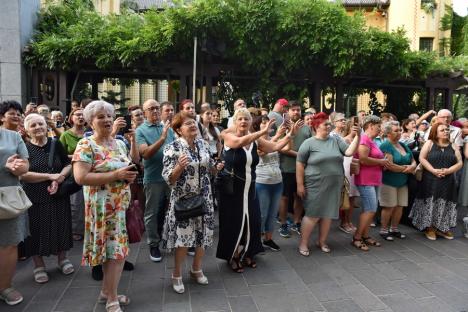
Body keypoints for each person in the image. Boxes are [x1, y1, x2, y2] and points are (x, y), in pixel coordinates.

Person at [73, 101, 138, 312]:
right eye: (101, 116)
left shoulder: (119, 143)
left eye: (109, 115)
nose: (107, 119)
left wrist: (127, 177)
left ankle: (106, 292)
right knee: (114, 254)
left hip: (120, 208)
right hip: (101, 210)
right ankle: (111, 299)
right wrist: (116, 175)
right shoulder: (86, 145)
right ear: (91, 122)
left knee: (117, 253)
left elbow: (128, 165)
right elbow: (80, 177)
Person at [216, 108, 293, 272]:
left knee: (253, 221)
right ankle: (233, 256)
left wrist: (290, 134)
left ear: (251, 122)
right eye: (240, 119)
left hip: (250, 189)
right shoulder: (227, 135)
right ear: (235, 121)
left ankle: (248, 253)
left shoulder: (255, 140)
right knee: (233, 223)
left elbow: (274, 147)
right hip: (231, 190)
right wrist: (262, 132)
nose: (243, 121)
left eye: (246, 119)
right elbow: (238, 143)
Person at [161, 112, 223, 294]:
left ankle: (196, 269)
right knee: (183, 239)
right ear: (179, 130)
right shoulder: (172, 148)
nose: (193, 125)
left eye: (194, 123)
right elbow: (169, 179)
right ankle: (177, 275)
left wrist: (216, 168)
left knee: (202, 235)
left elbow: (210, 168)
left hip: (204, 197)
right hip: (184, 200)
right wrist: (179, 166)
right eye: (188, 123)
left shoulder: (203, 144)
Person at [20, 114, 74, 284]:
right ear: (27, 130)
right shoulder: (24, 148)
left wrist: (60, 177)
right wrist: (49, 176)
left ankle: (62, 259)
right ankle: (38, 265)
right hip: (34, 196)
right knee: (36, 230)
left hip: (58, 194)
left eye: (41, 124)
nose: (38, 127)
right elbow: (23, 174)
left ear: (47, 126)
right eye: (33, 125)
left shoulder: (55, 143)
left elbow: (67, 164)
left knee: (61, 225)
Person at [296, 112, 360, 255]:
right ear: (317, 126)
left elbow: (349, 152)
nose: (329, 126)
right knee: (313, 214)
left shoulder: (336, 140)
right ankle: (303, 243)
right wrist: (300, 184)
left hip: (334, 184)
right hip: (315, 184)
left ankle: (322, 241)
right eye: (326, 124)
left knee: (328, 214)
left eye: (329, 123)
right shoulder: (308, 143)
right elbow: (300, 164)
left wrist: (358, 136)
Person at [136, 99, 174, 263]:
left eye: (157, 108)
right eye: (151, 109)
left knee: (174, 208)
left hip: (171, 176)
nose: (156, 111)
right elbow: (145, 154)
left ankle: (174, 239)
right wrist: (162, 137)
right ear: (144, 113)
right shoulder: (141, 130)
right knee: (152, 212)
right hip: (153, 178)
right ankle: (153, 244)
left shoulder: (167, 128)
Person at [410, 122, 463, 240]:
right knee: (431, 202)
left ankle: (441, 227)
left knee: (445, 202)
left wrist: (449, 170)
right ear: (436, 132)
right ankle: (429, 228)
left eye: (447, 130)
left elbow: (459, 162)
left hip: (448, 180)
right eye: (442, 130)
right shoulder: (429, 143)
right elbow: (421, 158)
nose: (446, 132)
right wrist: (433, 170)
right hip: (430, 179)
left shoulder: (453, 145)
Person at [0, 117, 29, 306]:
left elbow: (26, 165)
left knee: (9, 244)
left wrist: (17, 168)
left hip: (9, 197)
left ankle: (5, 286)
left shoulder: (12, 137)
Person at [352, 115, 390, 251]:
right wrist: (381, 162)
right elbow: (363, 159)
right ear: (370, 126)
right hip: (365, 179)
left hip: (373, 179)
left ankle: (365, 235)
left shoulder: (372, 140)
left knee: (369, 209)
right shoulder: (364, 139)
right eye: (378, 126)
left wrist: (382, 162)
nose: (380, 129)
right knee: (371, 209)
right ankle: (357, 237)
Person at [253, 116, 290, 251]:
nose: (268, 125)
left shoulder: (274, 139)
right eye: (264, 123)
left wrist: (287, 133)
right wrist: (280, 135)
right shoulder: (256, 140)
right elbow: (265, 151)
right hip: (262, 182)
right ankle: (256, 241)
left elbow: (286, 148)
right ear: (257, 127)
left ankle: (268, 239)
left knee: (273, 213)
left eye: (268, 122)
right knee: (262, 213)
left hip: (277, 181)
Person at [378, 121, 416, 241]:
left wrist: (413, 166)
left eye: (400, 130)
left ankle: (394, 229)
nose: (399, 132)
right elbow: (389, 165)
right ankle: (383, 230)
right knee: (389, 206)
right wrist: (407, 169)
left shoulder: (403, 145)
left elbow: (413, 159)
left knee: (400, 206)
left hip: (403, 181)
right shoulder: (385, 146)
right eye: (396, 130)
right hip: (389, 181)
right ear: (388, 133)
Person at [278, 101, 312, 237]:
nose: (296, 112)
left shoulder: (306, 127)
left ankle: (297, 222)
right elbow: (281, 148)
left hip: (303, 169)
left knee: (300, 196)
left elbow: (311, 145)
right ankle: (283, 223)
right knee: (284, 198)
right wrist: (301, 156)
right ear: (288, 111)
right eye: (293, 110)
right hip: (287, 168)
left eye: (298, 110)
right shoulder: (283, 127)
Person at [60, 108, 86, 242]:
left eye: (83, 115)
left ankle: (88, 228)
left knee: (88, 201)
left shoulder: (90, 133)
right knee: (76, 203)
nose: (81, 117)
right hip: (73, 172)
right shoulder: (65, 135)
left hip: (90, 171)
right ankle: (76, 230)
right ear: (71, 118)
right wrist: (80, 155)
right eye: (77, 115)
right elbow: (61, 155)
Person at [330, 114, 360, 233]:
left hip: (352, 167)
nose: (343, 121)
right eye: (340, 120)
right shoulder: (337, 136)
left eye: (344, 119)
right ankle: (344, 222)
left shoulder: (350, 136)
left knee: (352, 197)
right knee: (346, 196)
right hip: (344, 167)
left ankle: (348, 220)